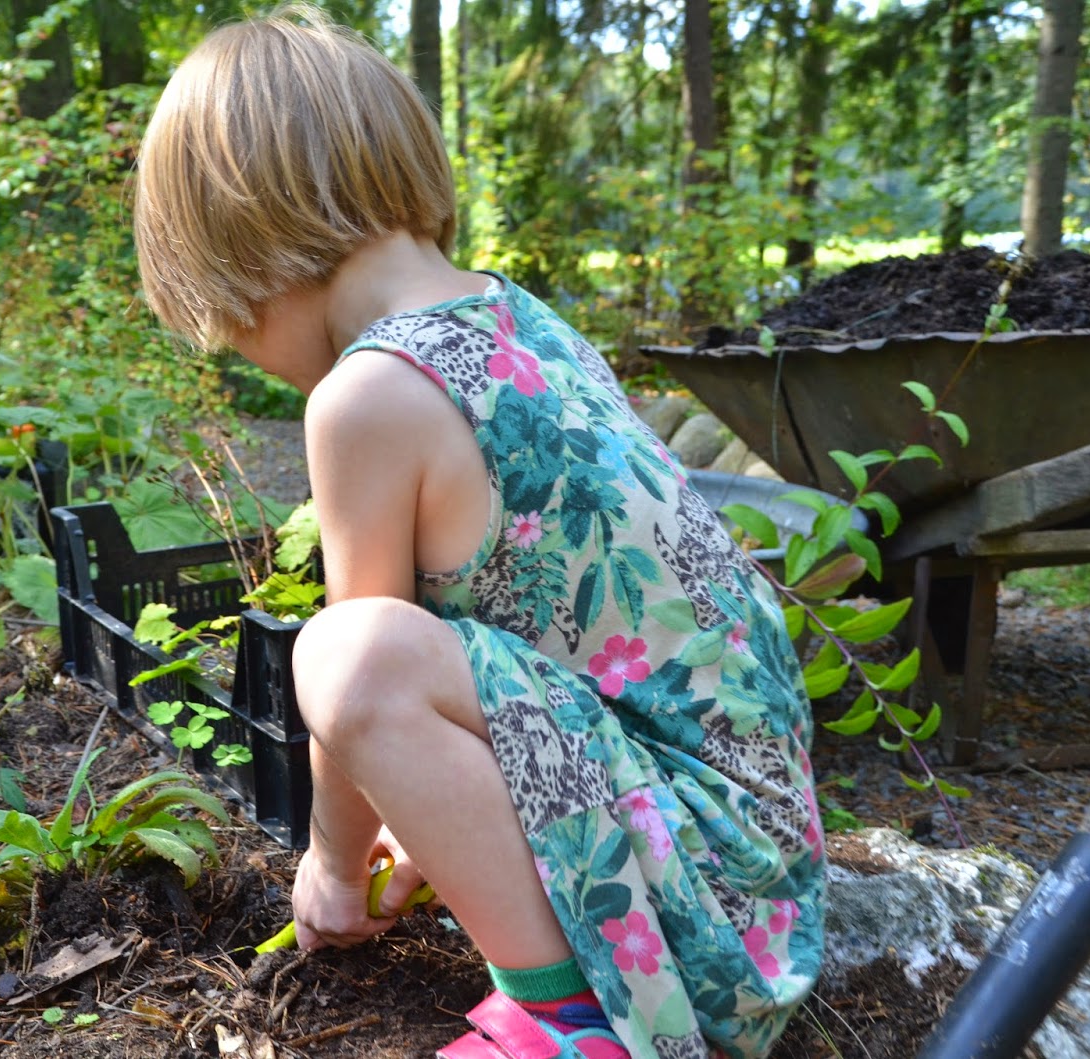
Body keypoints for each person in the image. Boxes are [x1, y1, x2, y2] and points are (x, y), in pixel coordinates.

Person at [132, 9, 825, 1058]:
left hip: (693, 935)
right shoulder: (520, 319)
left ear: (241, 246)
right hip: (759, 884)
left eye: (225, 325)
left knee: (346, 652)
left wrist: (331, 866)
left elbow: (360, 693)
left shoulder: (368, 394)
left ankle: (573, 1020)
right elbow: (527, 669)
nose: (239, 350)